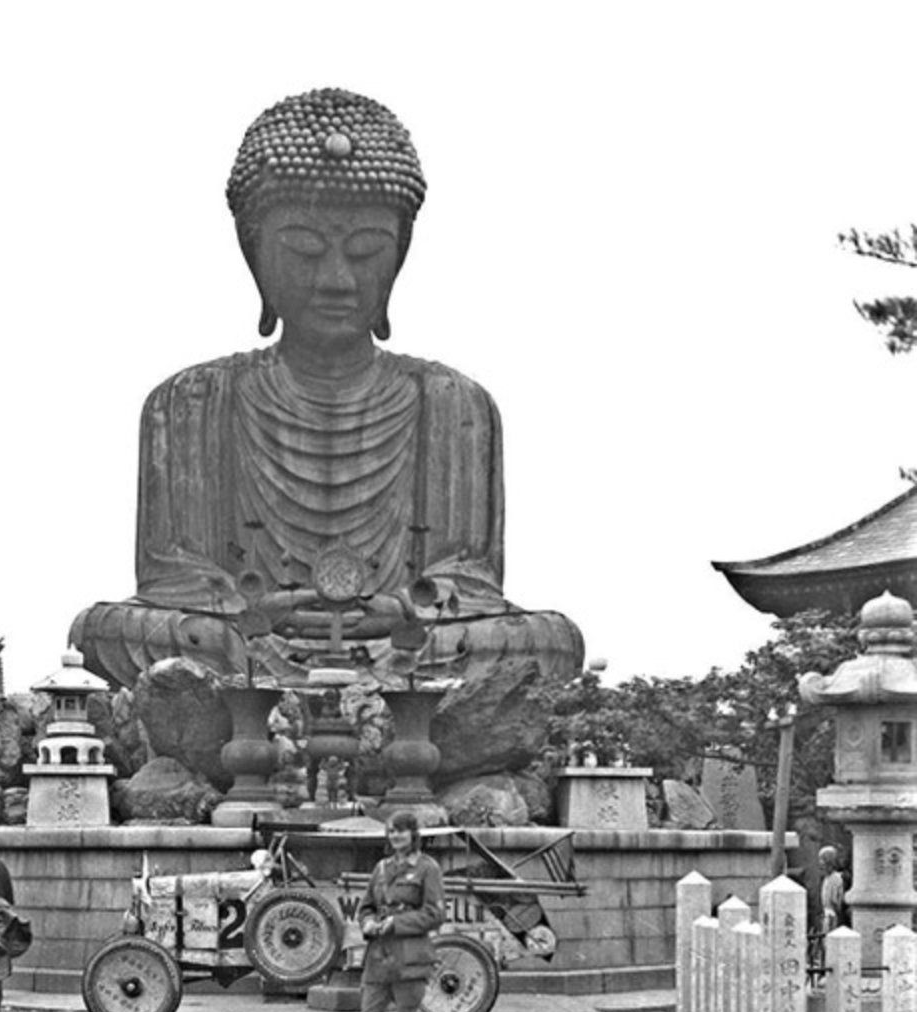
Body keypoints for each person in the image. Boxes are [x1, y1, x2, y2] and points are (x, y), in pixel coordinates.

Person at [70, 88, 583, 695]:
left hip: (406, 646)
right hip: (246, 645)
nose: (336, 279)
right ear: (254, 256)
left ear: (398, 258)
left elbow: (470, 583)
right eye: (303, 250)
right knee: (106, 631)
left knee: (548, 641)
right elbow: (172, 579)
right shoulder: (189, 402)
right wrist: (248, 610)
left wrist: (409, 610)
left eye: (365, 251)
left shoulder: (454, 404)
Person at [353, 810, 445, 1012]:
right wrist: (367, 923)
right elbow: (366, 907)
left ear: (414, 834)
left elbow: (435, 914)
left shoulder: (427, 869)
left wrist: (398, 924)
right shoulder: (381, 869)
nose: (396, 837)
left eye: (402, 831)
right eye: (392, 831)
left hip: (410, 956)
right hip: (379, 954)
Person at [818, 845, 847, 931]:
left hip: (832, 916)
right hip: (826, 914)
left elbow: (837, 901)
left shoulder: (836, 878)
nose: (820, 863)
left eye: (822, 859)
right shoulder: (826, 878)